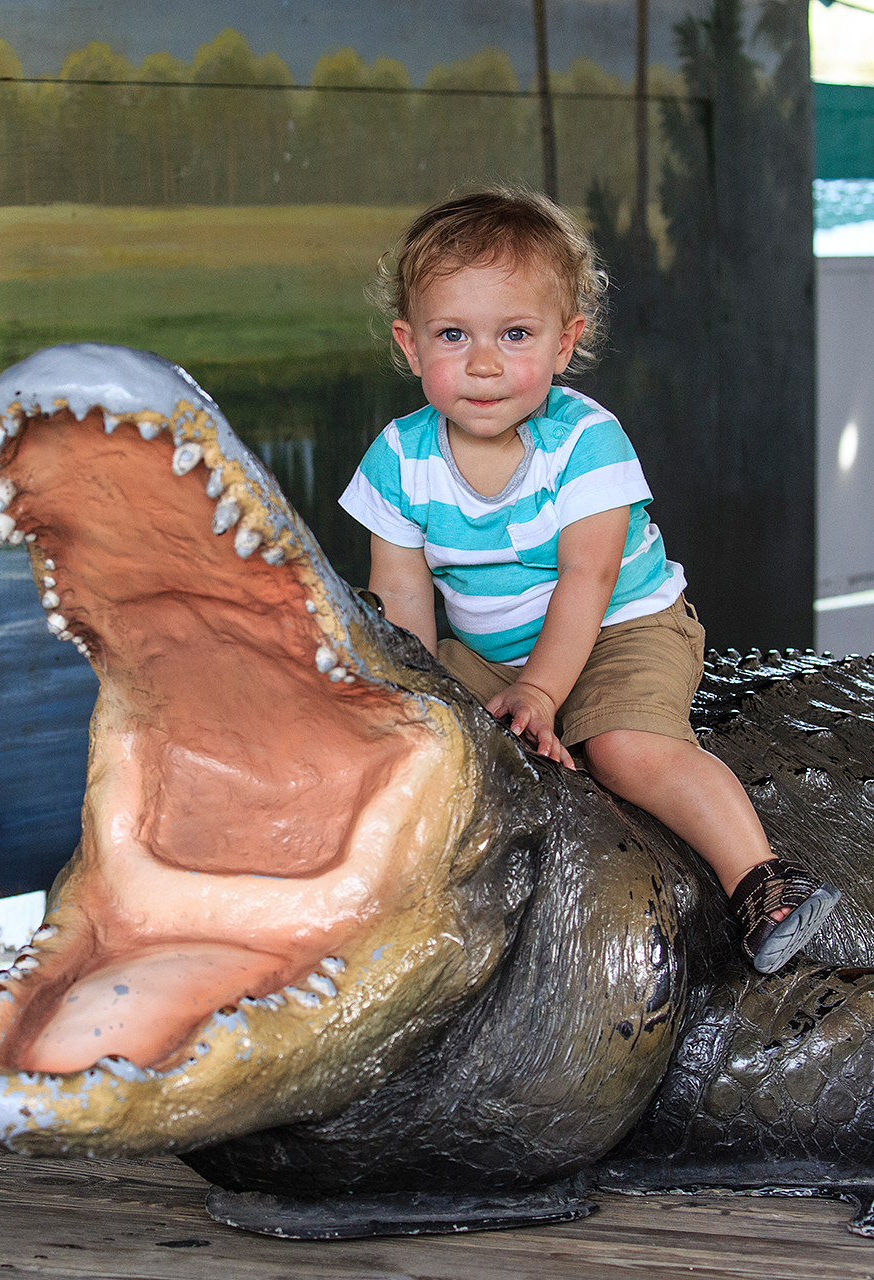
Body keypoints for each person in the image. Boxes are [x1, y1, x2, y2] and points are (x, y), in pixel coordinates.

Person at [339, 187, 839, 974]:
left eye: (514, 333)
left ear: (565, 342)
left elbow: (587, 577)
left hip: (621, 626)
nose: (483, 361)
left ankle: (765, 881)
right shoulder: (399, 460)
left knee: (624, 749)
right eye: (451, 334)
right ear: (410, 345)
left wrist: (540, 694)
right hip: (491, 645)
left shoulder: (583, 441)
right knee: (413, 740)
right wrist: (419, 700)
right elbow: (403, 601)